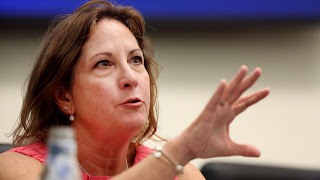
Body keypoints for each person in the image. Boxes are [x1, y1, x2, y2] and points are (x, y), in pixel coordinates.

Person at [0, 0, 270, 180]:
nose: (130, 77)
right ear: (64, 96)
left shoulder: (181, 173)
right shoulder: (19, 169)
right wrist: (179, 151)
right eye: (104, 63)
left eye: (136, 60)